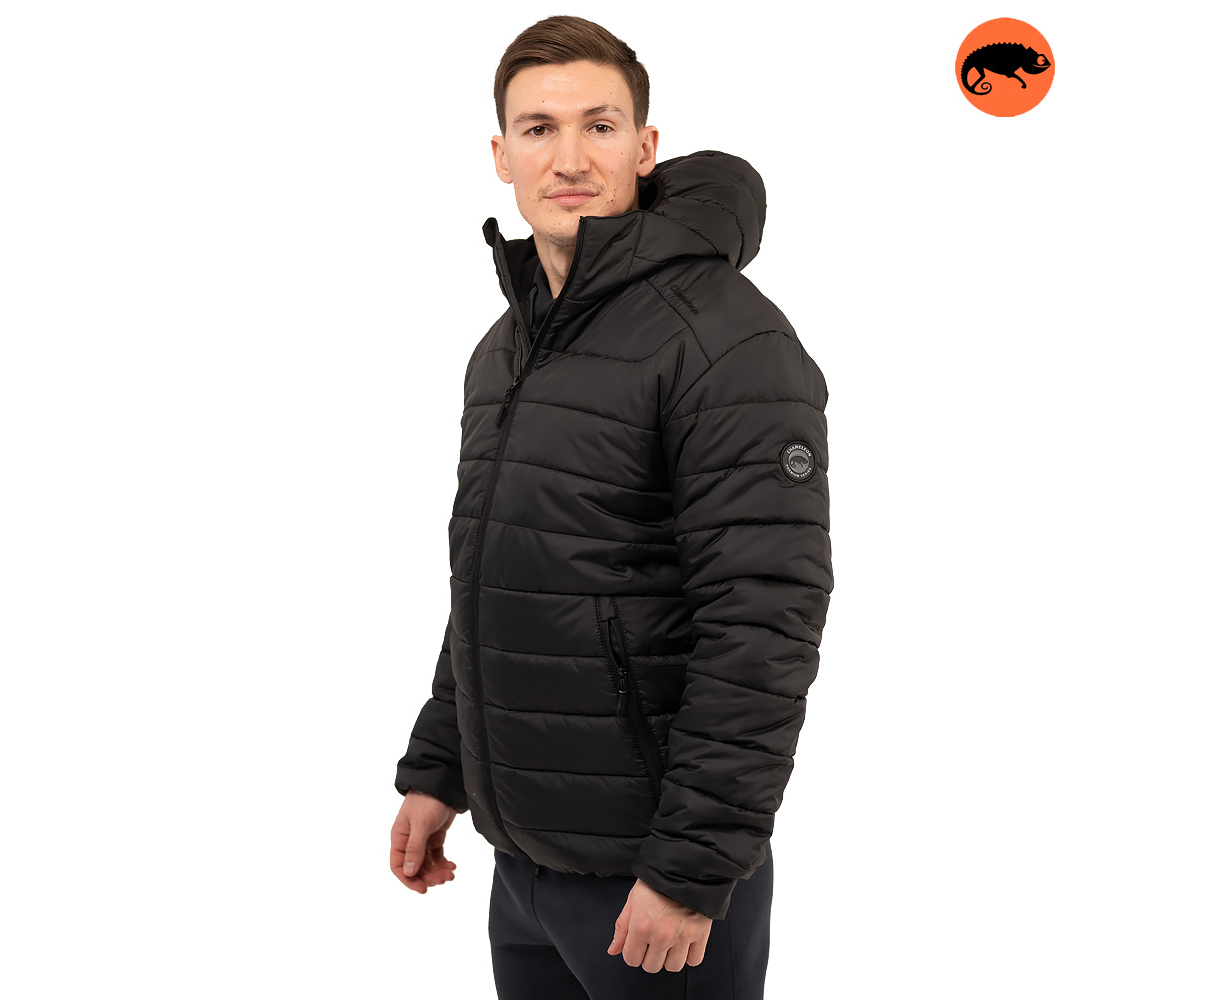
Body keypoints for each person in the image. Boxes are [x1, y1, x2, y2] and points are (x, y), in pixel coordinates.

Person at [389, 15, 833, 999]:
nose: (569, 158)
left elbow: (763, 622)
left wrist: (688, 868)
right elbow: (501, 580)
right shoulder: (506, 347)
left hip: (655, 887)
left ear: (644, 146)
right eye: (538, 129)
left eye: (599, 125)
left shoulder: (723, 339)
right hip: (522, 868)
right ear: (500, 156)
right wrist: (439, 769)